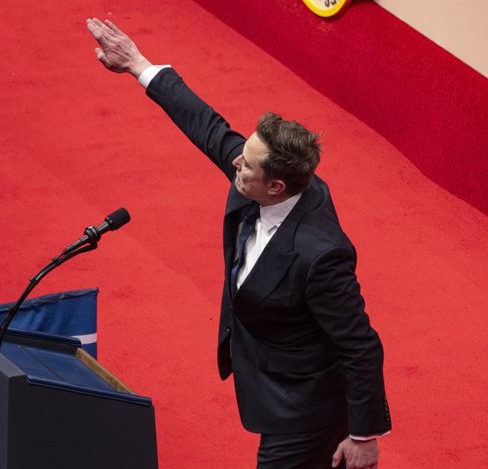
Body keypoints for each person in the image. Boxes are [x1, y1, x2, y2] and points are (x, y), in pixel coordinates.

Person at [86, 18, 391, 469]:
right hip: (269, 373)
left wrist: (364, 436)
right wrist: (138, 65)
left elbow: (360, 343)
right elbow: (209, 128)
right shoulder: (267, 179)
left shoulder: (320, 255)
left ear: (276, 187)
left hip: (304, 407)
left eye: (247, 167)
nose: (236, 166)